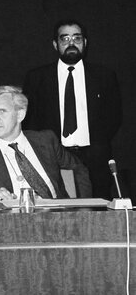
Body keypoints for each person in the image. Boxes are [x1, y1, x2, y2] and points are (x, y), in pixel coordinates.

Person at [23, 20, 122, 199]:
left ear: (85, 43)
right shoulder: (37, 78)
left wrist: (97, 144)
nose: (71, 43)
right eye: (65, 39)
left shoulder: (104, 76)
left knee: (97, 215)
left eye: (77, 38)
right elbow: (29, 121)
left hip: (95, 159)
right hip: (54, 158)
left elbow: (114, 116)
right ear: (55, 44)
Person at [0, 85, 91, 209]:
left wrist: (85, 207)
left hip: (59, 217)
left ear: (20, 115)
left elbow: (79, 168)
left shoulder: (46, 140)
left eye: (2, 111)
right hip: (13, 224)